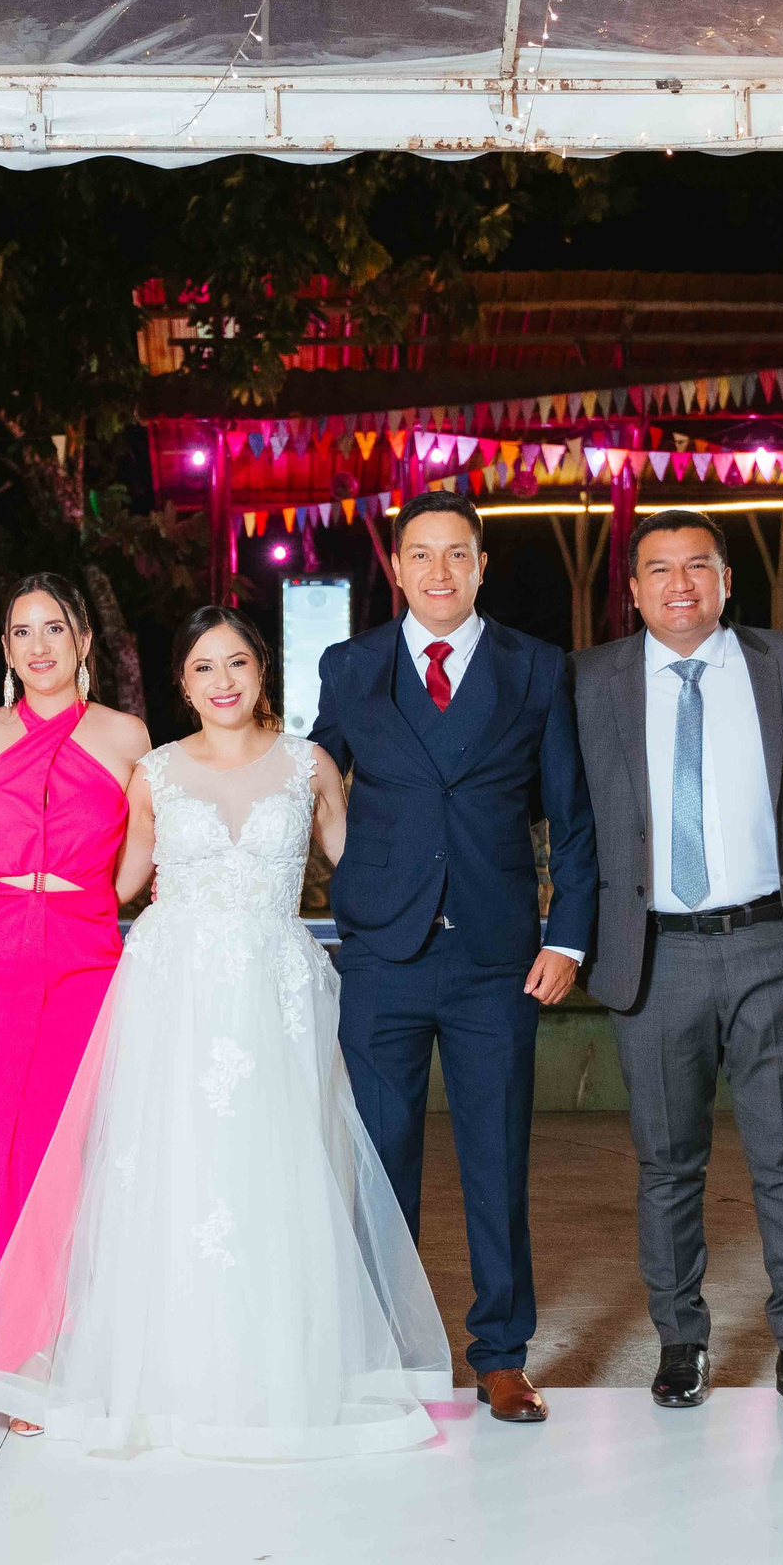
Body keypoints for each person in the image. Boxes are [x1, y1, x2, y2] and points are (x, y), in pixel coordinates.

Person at [0, 607, 449, 1457]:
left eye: (238, 664)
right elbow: (116, 879)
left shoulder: (309, 765)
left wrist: (437, 922)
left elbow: (360, 869)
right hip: (173, 987)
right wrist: (9, 891)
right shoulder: (156, 771)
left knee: (277, 1167)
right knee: (172, 1167)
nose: (223, 682)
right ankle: (167, 1371)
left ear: (262, 674)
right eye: (204, 668)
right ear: (182, 683)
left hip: (273, 985)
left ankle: (274, 1369)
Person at [571, 510, 783, 1416]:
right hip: (655, 953)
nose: (681, 584)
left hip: (771, 946)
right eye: (659, 569)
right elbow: (563, 809)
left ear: (725, 581)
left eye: (699, 567)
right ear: (632, 589)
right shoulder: (593, 680)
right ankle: (682, 1340)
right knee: (667, 1164)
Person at [310, 490, 598, 1425]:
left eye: (457, 554)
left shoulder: (535, 667)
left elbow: (572, 811)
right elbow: (310, 785)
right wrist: (353, 872)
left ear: (481, 566)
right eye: (420, 554)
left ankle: (502, 1354)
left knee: (495, 1158)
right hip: (383, 954)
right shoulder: (350, 666)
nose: (438, 571)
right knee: (379, 1160)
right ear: (396, 568)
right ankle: (377, 1354)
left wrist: (567, 933)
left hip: (494, 956)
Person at [0, 574, 148, 1324]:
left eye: (54, 628)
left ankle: (58, 1327)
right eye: (22, 631)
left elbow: (141, 859)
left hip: (84, 957)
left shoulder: (126, 736)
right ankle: (4, 1334)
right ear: (5, 649)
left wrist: (80, 900)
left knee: (65, 1148)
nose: (38, 645)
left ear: (83, 640)